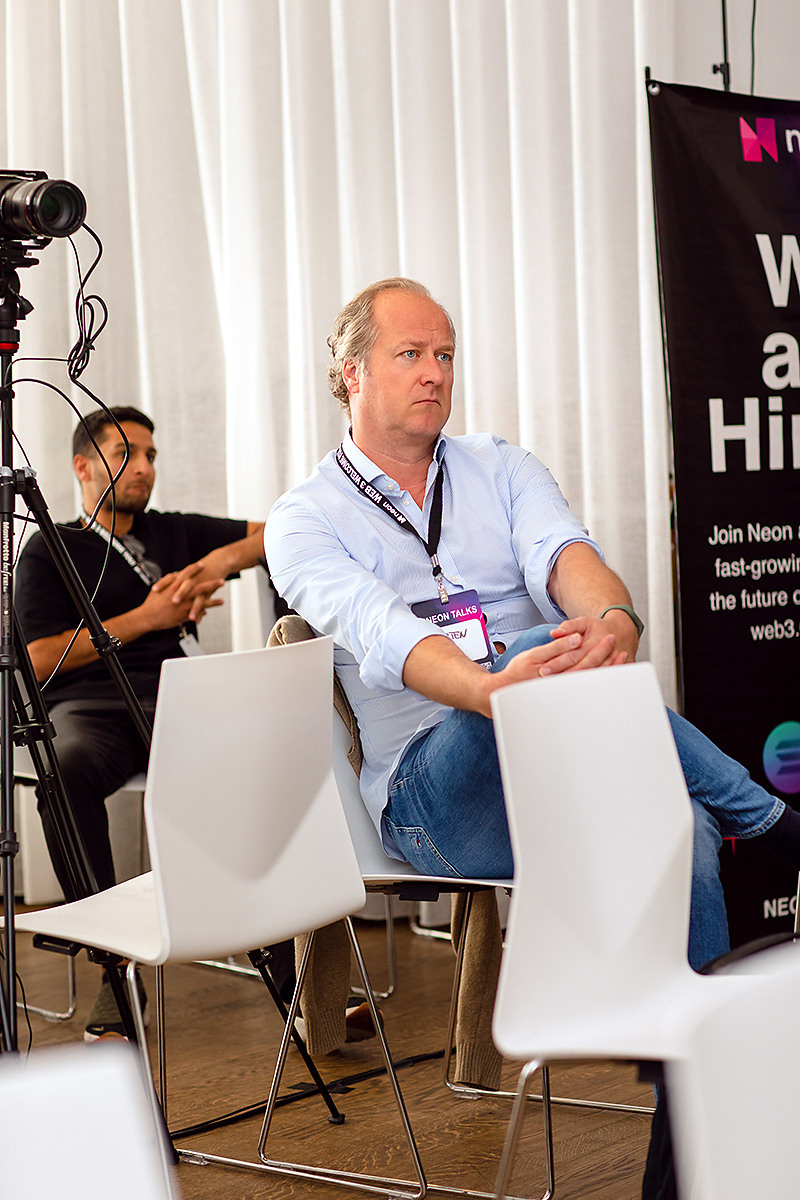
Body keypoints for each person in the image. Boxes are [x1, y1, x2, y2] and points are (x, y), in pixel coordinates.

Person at [264, 278, 800, 1188]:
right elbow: (383, 630)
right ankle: (778, 826)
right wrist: (492, 690)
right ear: (350, 372)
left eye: (445, 354)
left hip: (567, 760)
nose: (436, 373)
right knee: (529, 649)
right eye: (411, 355)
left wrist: (617, 619)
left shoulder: (499, 466)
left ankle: (692, 1142)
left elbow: (567, 557)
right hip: (433, 792)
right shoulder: (304, 519)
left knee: (686, 829)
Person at [15, 405, 268, 1039]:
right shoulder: (51, 547)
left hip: (176, 696)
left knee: (264, 767)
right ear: (82, 465)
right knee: (63, 774)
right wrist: (147, 620)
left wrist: (215, 564)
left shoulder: (173, 533)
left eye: (151, 455)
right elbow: (39, 658)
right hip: (90, 706)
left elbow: (277, 533)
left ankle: (297, 990)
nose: (144, 468)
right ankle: (115, 968)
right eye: (126, 453)